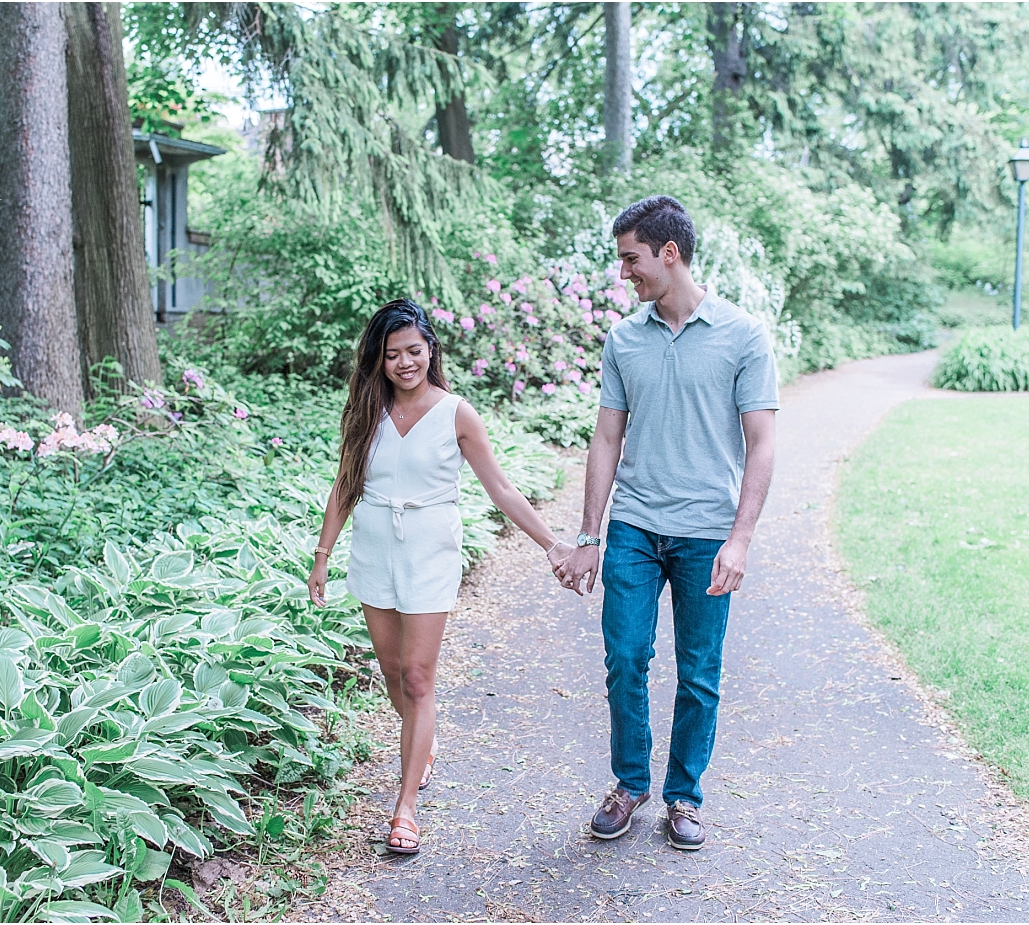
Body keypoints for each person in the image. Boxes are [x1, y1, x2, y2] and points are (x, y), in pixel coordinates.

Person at [554, 196, 779, 851]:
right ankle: (630, 783)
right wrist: (590, 534)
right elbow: (605, 438)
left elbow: (761, 443)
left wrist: (740, 538)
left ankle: (684, 794)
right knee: (625, 657)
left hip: (707, 531)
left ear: (669, 253)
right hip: (634, 527)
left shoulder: (742, 335)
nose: (624, 271)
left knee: (699, 672)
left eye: (632, 258)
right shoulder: (624, 339)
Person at [309, 299, 573, 855]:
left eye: (414, 351)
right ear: (378, 360)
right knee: (391, 673)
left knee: (418, 677)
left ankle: (405, 806)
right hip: (375, 548)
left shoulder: (456, 413)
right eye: (392, 354)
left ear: (431, 349)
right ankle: (420, 741)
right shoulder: (366, 410)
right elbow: (344, 484)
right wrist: (323, 552)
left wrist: (552, 544)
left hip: (430, 550)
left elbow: (500, 489)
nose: (405, 363)